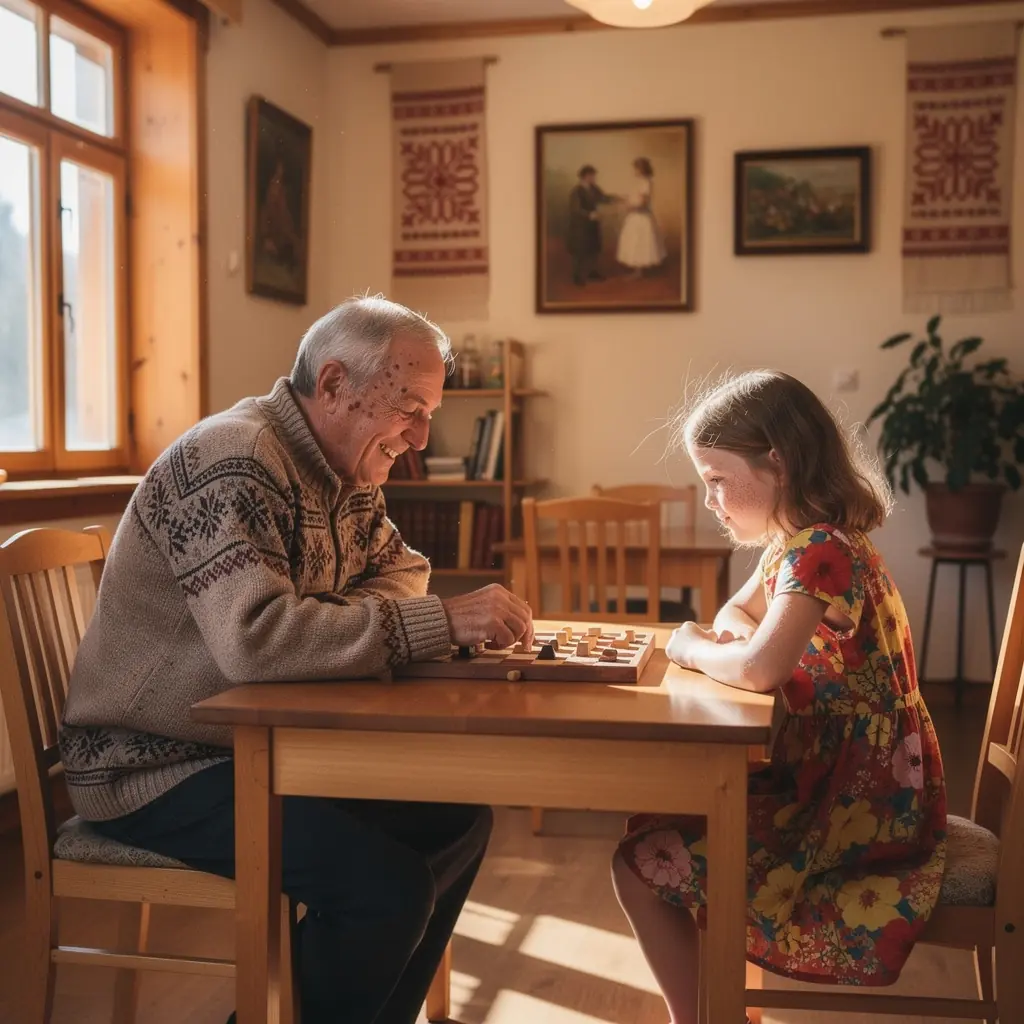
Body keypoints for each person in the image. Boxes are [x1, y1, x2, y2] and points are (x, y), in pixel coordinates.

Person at [59, 296, 535, 1024]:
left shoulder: (343, 473)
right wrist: (425, 626)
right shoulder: (235, 459)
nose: (420, 437)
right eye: (409, 406)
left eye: (428, 412)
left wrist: (339, 622)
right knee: (386, 889)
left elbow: (406, 572)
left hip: (249, 745)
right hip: (150, 762)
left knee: (458, 823)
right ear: (336, 384)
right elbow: (258, 642)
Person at [610, 371, 947, 1024]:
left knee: (640, 861)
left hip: (858, 806)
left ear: (779, 462)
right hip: (850, 782)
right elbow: (739, 615)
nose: (710, 499)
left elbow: (759, 669)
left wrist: (689, 648)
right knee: (667, 827)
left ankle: (707, 1021)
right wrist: (740, 642)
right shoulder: (794, 548)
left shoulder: (820, 550)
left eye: (715, 478)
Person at [566, 164, 616, 286]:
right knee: (580, 251)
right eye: (591, 175)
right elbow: (575, 209)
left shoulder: (594, 188)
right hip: (580, 227)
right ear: (584, 177)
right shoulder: (576, 191)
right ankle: (577, 277)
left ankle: (592, 273)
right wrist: (589, 215)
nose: (594, 178)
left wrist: (617, 199)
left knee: (594, 249)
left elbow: (603, 198)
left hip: (592, 225)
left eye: (594, 175)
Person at [616, 156, 666, 278]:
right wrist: (624, 199)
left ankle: (638, 272)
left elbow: (643, 203)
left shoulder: (646, 182)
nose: (634, 171)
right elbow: (635, 197)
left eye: (636, 168)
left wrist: (629, 207)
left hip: (641, 216)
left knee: (639, 242)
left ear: (642, 169)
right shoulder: (641, 182)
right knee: (635, 241)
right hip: (635, 216)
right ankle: (638, 270)